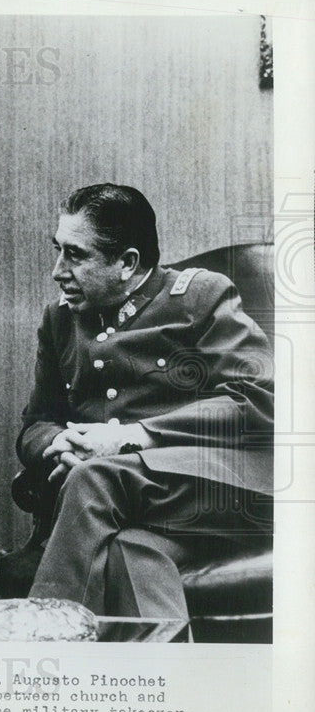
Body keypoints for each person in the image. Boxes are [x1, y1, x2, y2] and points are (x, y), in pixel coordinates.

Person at [18, 184, 273, 618]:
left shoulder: (201, 295)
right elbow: (36, 423)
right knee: (131, 553)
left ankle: (44, 639)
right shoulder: (60, 318)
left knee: (93, 479)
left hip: (222, 492)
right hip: (134, 505)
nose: (58, 270)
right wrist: (60, 443)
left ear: (127, 263)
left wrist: (133, 438)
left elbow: (259, 402)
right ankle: (170, 671)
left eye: (76, 255)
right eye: (57, 250)